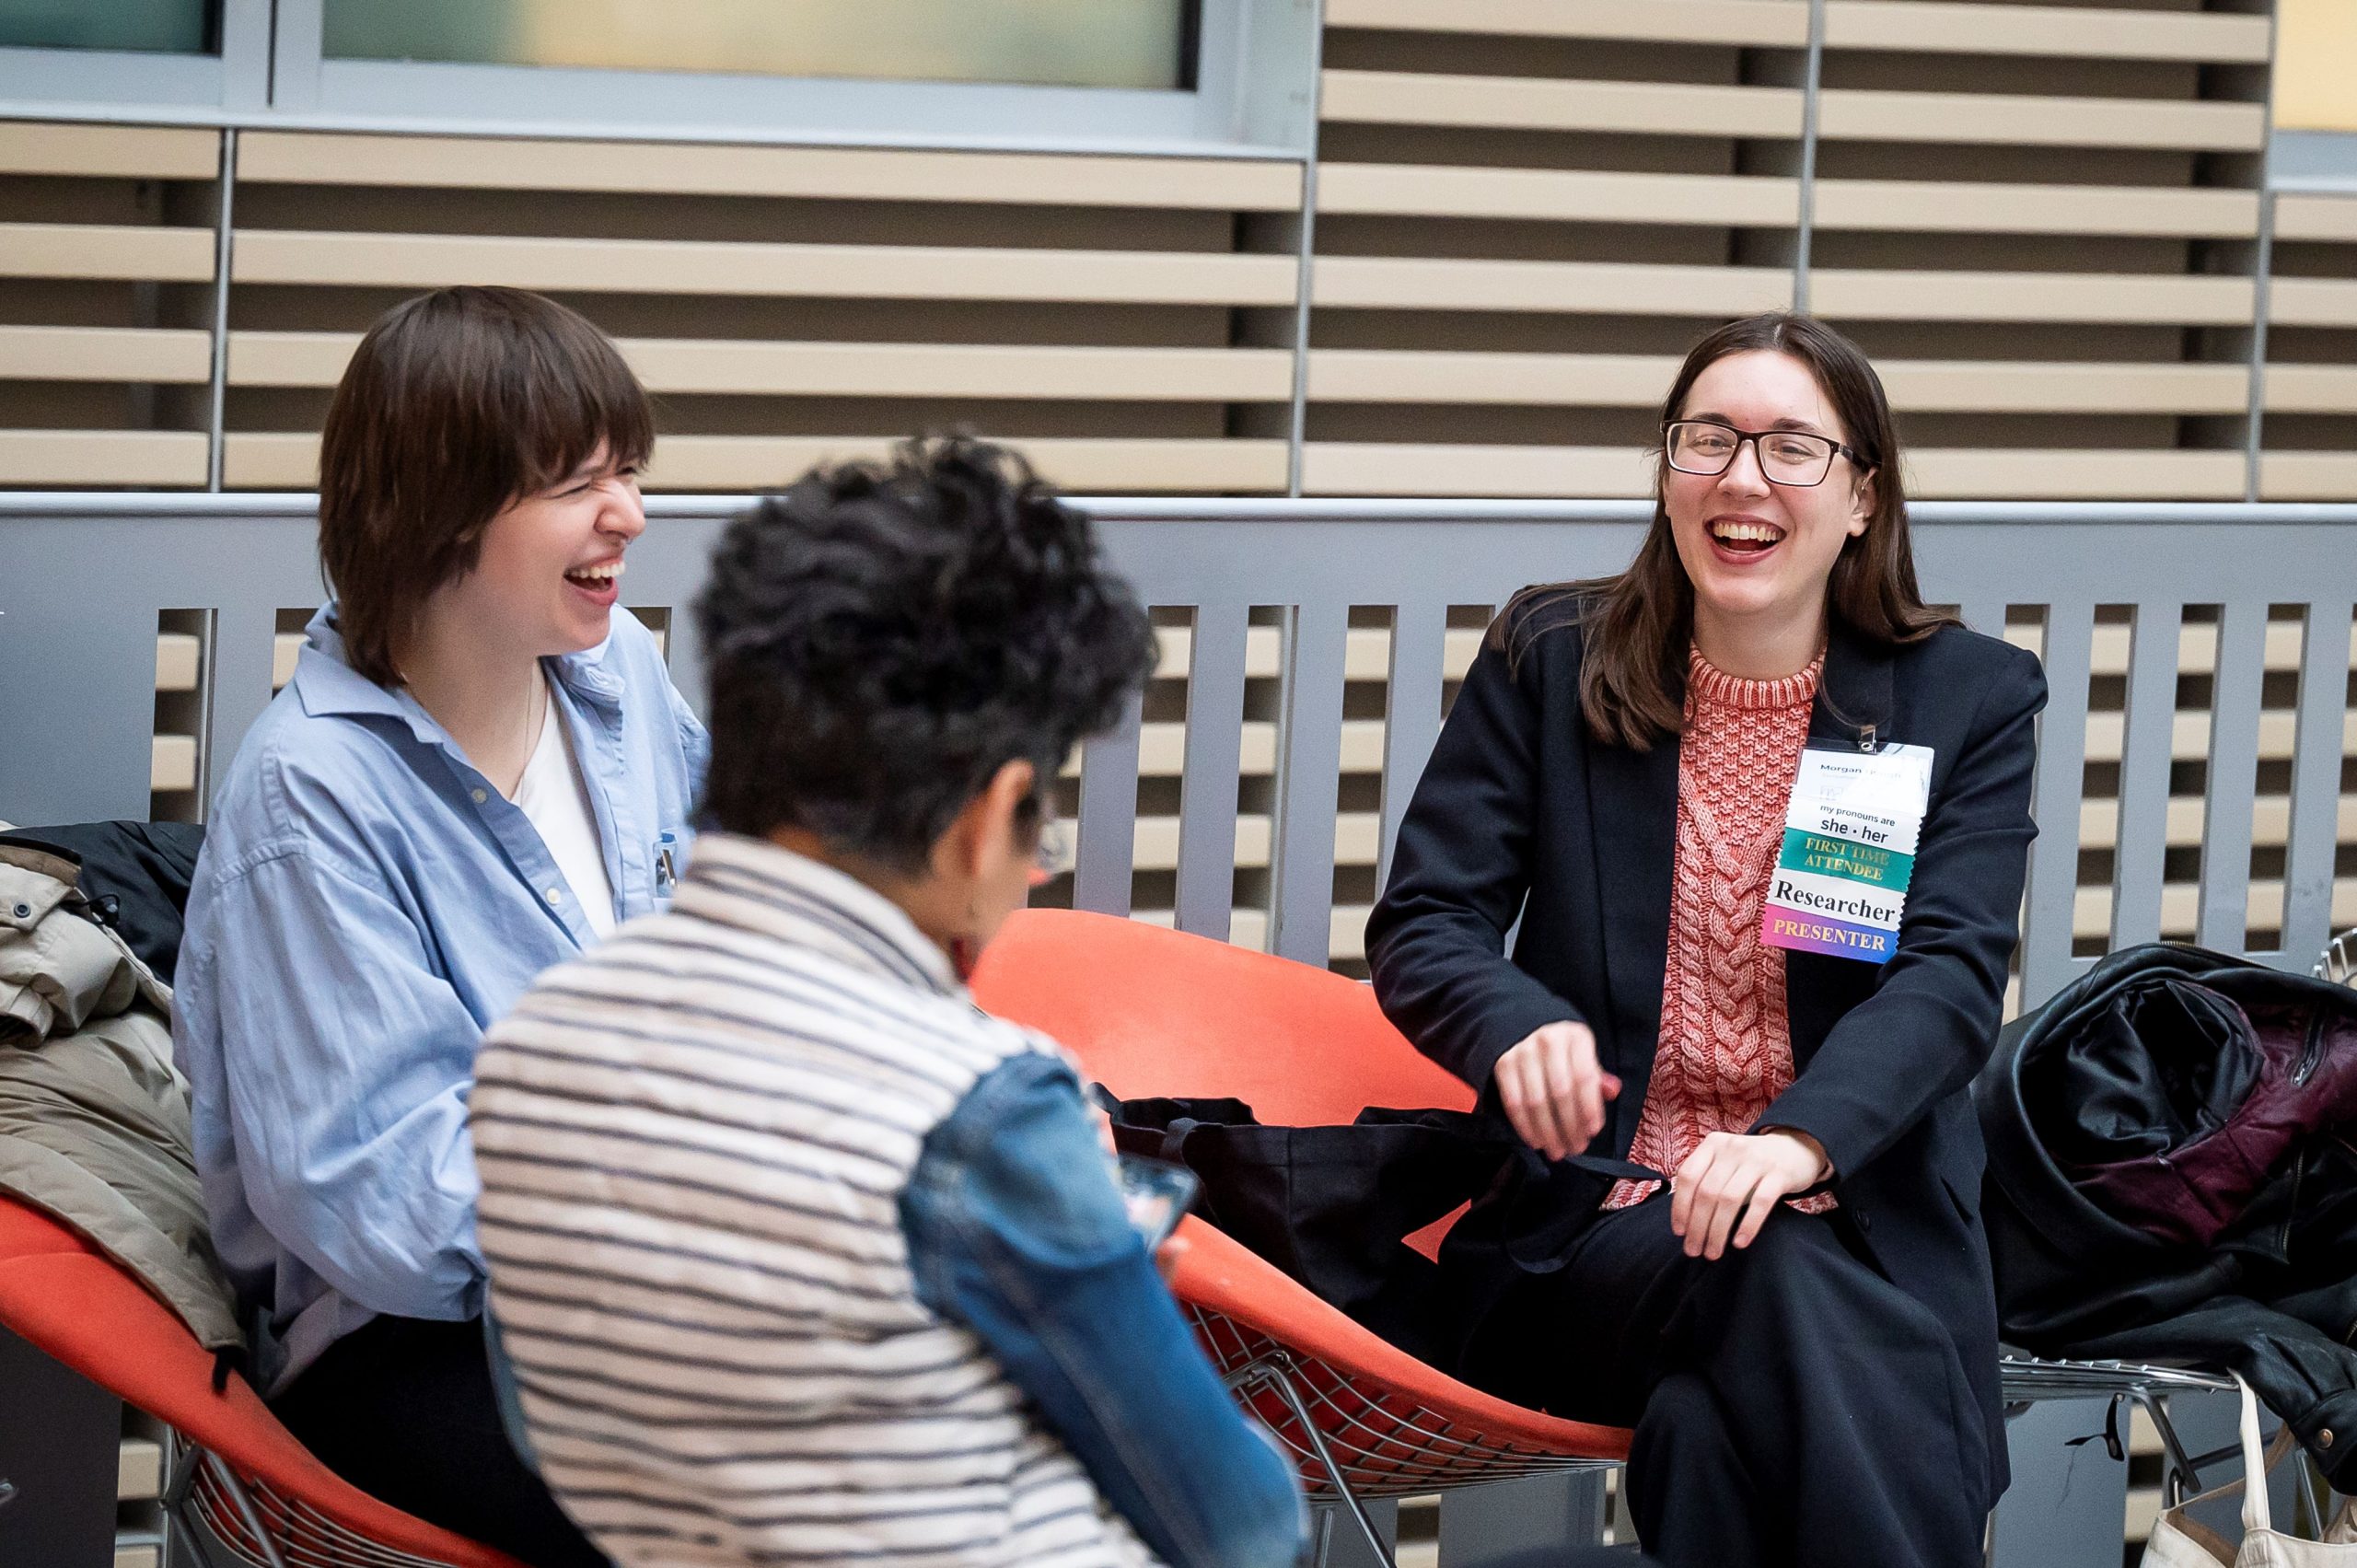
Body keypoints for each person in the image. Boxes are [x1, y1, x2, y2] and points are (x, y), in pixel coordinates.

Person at [468, 437, 1307, 1568]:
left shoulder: (530, 1047)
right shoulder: (981, 1108)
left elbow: (546, 1429)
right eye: (1037, 818)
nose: (1035, 866)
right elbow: (1245, 1527)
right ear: (984, 812)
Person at [1365, 313, 2045, 1568]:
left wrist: (1794, 1139)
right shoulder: (1551, 658)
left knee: (1708, 1426)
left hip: (1859, 1227)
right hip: (1602, 1226)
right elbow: (1427, 919)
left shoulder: (1969, 699)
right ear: (1669, 475)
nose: (1743, 477)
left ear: (1861, 498)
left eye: (1793, 447)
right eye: (1709, 439)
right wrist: (1516, 1025)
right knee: (1775, 1273)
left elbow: (1952, 978)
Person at [173, 286, 706, 1567]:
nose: (627, 513)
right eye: (577, 483)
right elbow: (383, 1199)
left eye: (625, 473)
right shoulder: (312, 798)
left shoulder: (617, 674)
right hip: (409, 1345)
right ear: (442, 510)